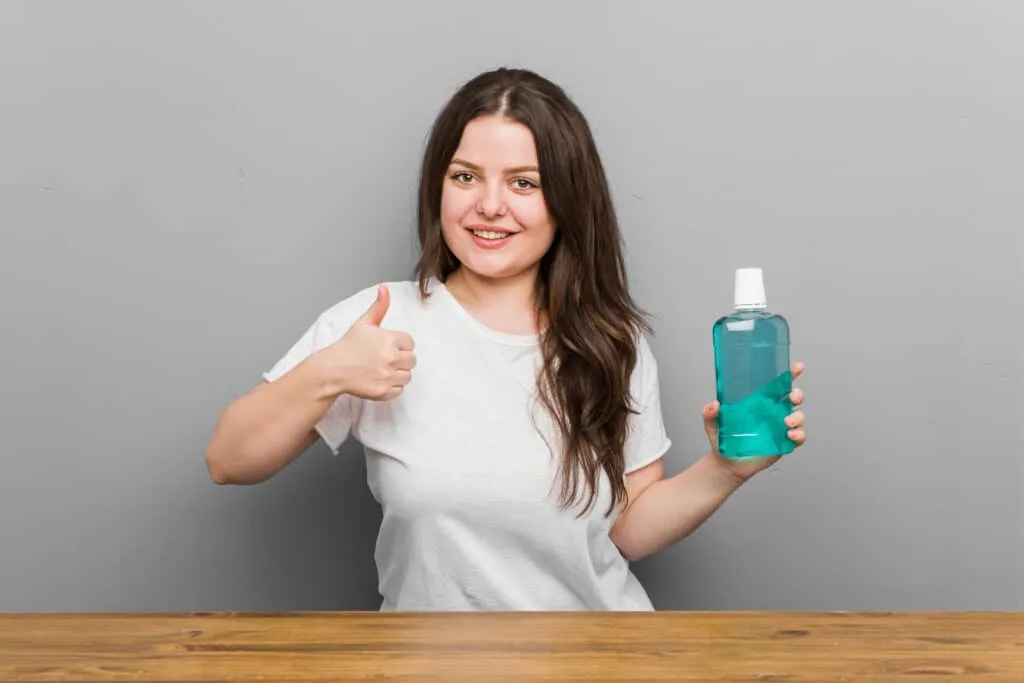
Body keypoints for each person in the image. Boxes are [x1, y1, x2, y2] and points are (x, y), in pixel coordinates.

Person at [204, 67, 807, 611]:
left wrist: (725, 470)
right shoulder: (377, 321)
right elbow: (228, 460)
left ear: (567, 201)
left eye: (524, 183)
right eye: (466, 177)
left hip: (598, 663)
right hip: (428, 667)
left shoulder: (611, 341)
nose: (489, 206)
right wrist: (327, 373)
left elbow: (625, 532)